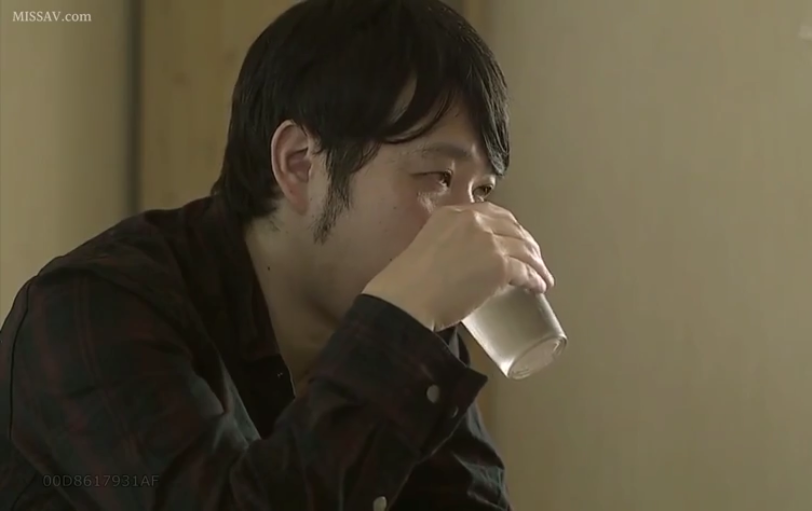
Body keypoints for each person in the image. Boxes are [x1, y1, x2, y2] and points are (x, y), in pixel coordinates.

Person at [0, 0, 555, 509]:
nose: (468, 223)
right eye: (438, 176)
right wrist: (401, 324)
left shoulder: (413, 327)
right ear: (299, 163)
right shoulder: (92, 309)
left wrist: (408, 328)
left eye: (482, 190)